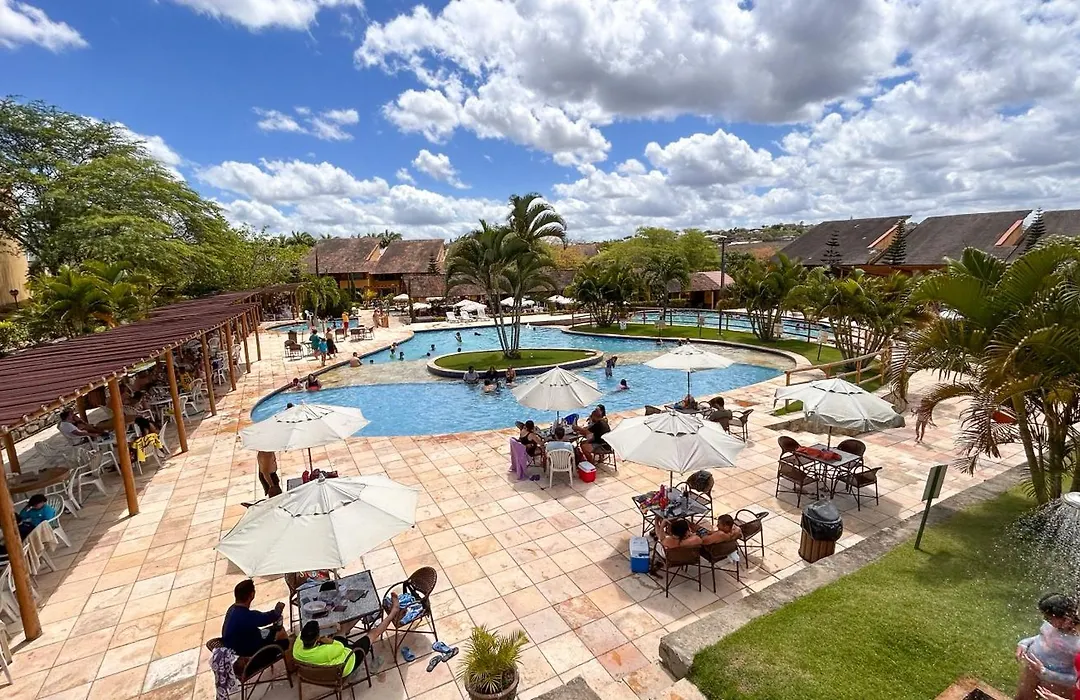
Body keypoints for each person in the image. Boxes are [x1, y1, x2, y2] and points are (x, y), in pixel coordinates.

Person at [292, 593, 401, 677]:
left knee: (341, 630)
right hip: (348, 662)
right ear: (317, 638)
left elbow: (308, 630)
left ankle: (360, 613)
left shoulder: (297, 648)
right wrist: (326, 640)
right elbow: (340, 646)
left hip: (323, 668)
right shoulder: (327, 651)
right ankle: (394, 611)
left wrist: (331, 625)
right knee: (373, 633)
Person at [1017, 594, 1080, 700]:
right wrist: (1024, 643)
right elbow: (1041, 637)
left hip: (1057, 684)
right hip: (1033, 671)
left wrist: (1044, 672)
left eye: (1049, 618)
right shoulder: (1053, 625)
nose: (1046, 620)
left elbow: (1075, 679)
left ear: (1066, 619)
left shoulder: (1077, 642)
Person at [221, 579, 288, 658]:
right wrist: (277, 611)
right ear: (252, 595)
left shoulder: (232, 609)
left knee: (274, 630)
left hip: (236, 647)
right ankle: (288, 663)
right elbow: (265, 618)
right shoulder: (247, 616)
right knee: (283, 638)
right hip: (248, 655)